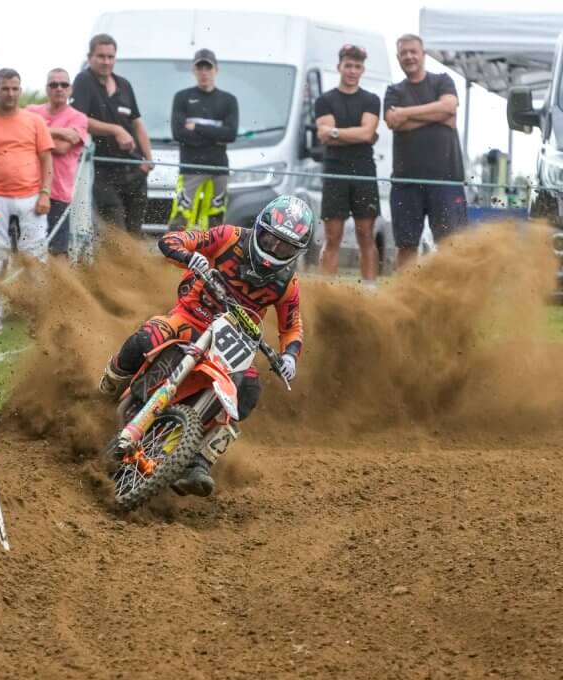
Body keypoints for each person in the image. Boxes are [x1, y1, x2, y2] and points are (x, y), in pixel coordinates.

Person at [99, 196, 313, 497]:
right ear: (259, 229)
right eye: (270, 239)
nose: (274, 249)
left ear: (297, 251)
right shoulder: (229, 237)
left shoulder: (287, 283)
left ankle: (198, 461)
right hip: (190, 318)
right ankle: (107, 388)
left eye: (285, 247)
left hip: (234, 341)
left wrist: (290, 356)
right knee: (146, 338)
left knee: (248, 391)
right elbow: (173, 240)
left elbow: (291, 327)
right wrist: (189, 257)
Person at [0, 68, 53, 335]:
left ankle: (38, 315)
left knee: (35, 255)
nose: (10, 93)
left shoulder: (35, 121)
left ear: (20, 90)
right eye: (5, 88)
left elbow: (46, 158)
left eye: (15, 88)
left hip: (31, 196)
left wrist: (45, 192)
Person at [384, 33, 467, 269]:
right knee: (406, 245)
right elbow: (393, 121)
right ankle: (405, 291)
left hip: (446, 180)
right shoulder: (393, 91)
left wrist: (406, 113)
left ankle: (449, 290)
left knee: (451, 244)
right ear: (398, 58)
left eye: (413, 52)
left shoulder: (443, 81)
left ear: (423, 55)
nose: (409, 56)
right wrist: (438, 116)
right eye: (404, 53)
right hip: (406, 182)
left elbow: (449, 107)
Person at [70, 34, 152, 234]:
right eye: (101, 56)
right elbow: (79, 119)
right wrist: (116, 130)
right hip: (102, 170)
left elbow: (137, 122)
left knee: (135, 232)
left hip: (133, 168)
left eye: (110, 57)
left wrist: (148, 159)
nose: (106, 62)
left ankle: (134, 257)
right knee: (115, 230)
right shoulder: (83, 81)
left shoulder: (124, 85)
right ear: (90, 57)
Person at [315, 45, 381, 286]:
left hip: (364, 171)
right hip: (335, 171)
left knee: (366, 235)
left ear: (363, 69)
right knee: (332, 238)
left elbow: (367, 133)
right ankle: (326, 293)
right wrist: (357, 134)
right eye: (348, 66)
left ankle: (370, 292)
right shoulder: (324, 100)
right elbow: (323, 137)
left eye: (357, 66)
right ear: (339, 67)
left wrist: (335, 132)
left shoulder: (371, 100)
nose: (352, 71)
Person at [169, 49, 239, 230]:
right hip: (190, 168)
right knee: (180, 218)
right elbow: (178, 133)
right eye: (199, 68)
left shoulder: (229, 100)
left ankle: (210, 250)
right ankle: (175, 248)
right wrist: (215, 136)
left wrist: (197, 128)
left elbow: (230, 134)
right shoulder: (182, 97)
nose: (204, 73)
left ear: (216, 70)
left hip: (218, 169)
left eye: (208, 68)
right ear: (194, 70)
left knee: (215, 220)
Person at [25, 69, 88, 260]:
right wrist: (60, 132)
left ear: (70, 89)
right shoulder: (31, 111)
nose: (59, 88)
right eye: (54, 84)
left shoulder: (78, 117)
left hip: (59, 193)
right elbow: (22, 137)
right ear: (47, 88)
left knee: (58, 251)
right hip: (28, 190)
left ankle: (60, 281)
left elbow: (62, 148)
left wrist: (38, 130)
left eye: (64, 84)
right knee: (25, 248)